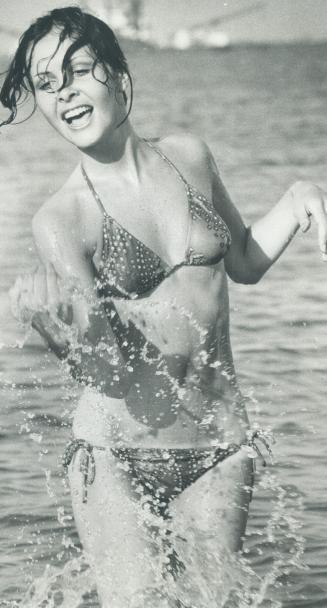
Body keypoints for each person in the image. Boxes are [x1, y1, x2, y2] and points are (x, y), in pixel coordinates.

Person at [2, 6, 327, 607]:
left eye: (76, 70)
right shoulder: (62, 219)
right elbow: (107, 371)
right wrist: (58, 333)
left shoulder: (190, 157)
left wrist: (300, 196)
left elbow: (246, 263)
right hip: (116, 454)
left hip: (219, 449)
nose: (64, 92)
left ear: (116, 71)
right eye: (46, 84)